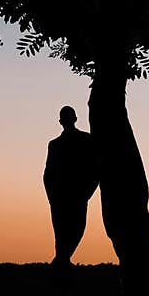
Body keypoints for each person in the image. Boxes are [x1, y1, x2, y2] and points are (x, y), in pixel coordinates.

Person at [43, 105, 98, 279]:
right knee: (65, 234)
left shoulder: (86, 140)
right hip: (63, 197)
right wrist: (52, 197)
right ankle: (61, 269)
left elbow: (95, 169)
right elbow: (48, 174)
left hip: (73, 195)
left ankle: (60, 266)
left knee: (70, 233)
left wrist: (87, 192)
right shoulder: (56, 144)